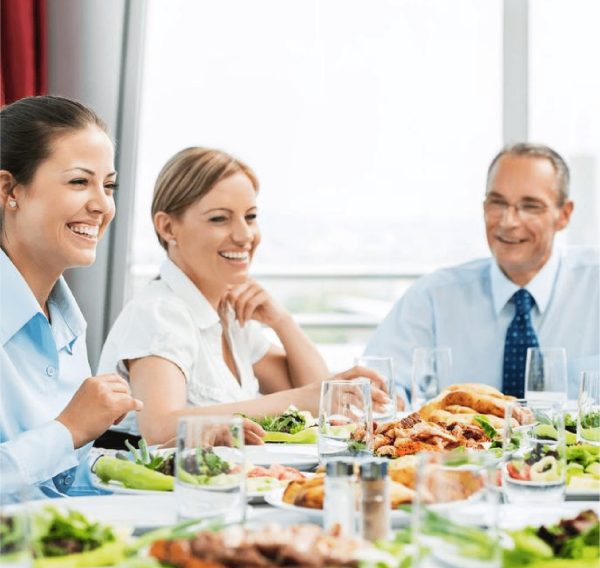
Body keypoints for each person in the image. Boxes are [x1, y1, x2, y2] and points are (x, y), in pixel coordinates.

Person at [98, 147, 387, 446]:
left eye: (250, 217)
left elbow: (316, 394)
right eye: (220, 219)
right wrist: (303, 398)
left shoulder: (228, 312)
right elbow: (159, 427)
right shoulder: (159, 312)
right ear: (168, 227)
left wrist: (282, 321)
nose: (244, 235)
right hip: (151, 491)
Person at [365, 143, 599, 404]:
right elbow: (378, 382)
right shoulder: (433, 296)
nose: (508, 222)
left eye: (530, 206)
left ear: (564, 215)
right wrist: (386, 401)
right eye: (497, 203)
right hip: (460, 444)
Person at [0, 96, 142, 498]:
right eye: (79, 181)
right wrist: (68, 430)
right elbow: (65, 439)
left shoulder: (63, 322)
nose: (102, 205)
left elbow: (66, 475)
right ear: (9, 189)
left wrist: (184, 454)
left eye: (108, 185)